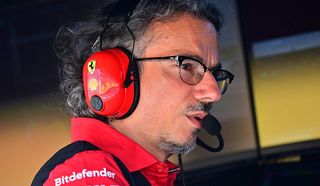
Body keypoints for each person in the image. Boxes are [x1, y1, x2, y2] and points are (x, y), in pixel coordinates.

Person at [32, 0, 234, 185]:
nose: (214, 93)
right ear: (114, 76)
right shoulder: (88, 175)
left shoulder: (138, 176)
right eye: (187, 66)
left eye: (214, 74)